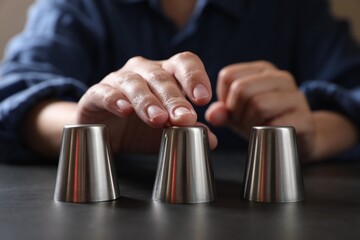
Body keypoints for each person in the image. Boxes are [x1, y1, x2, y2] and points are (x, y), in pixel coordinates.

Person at [1, 0, 360, 164]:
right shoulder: (73, 7)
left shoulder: (294, 9)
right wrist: (88, 128)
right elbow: (15, 95)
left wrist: (314, 132)